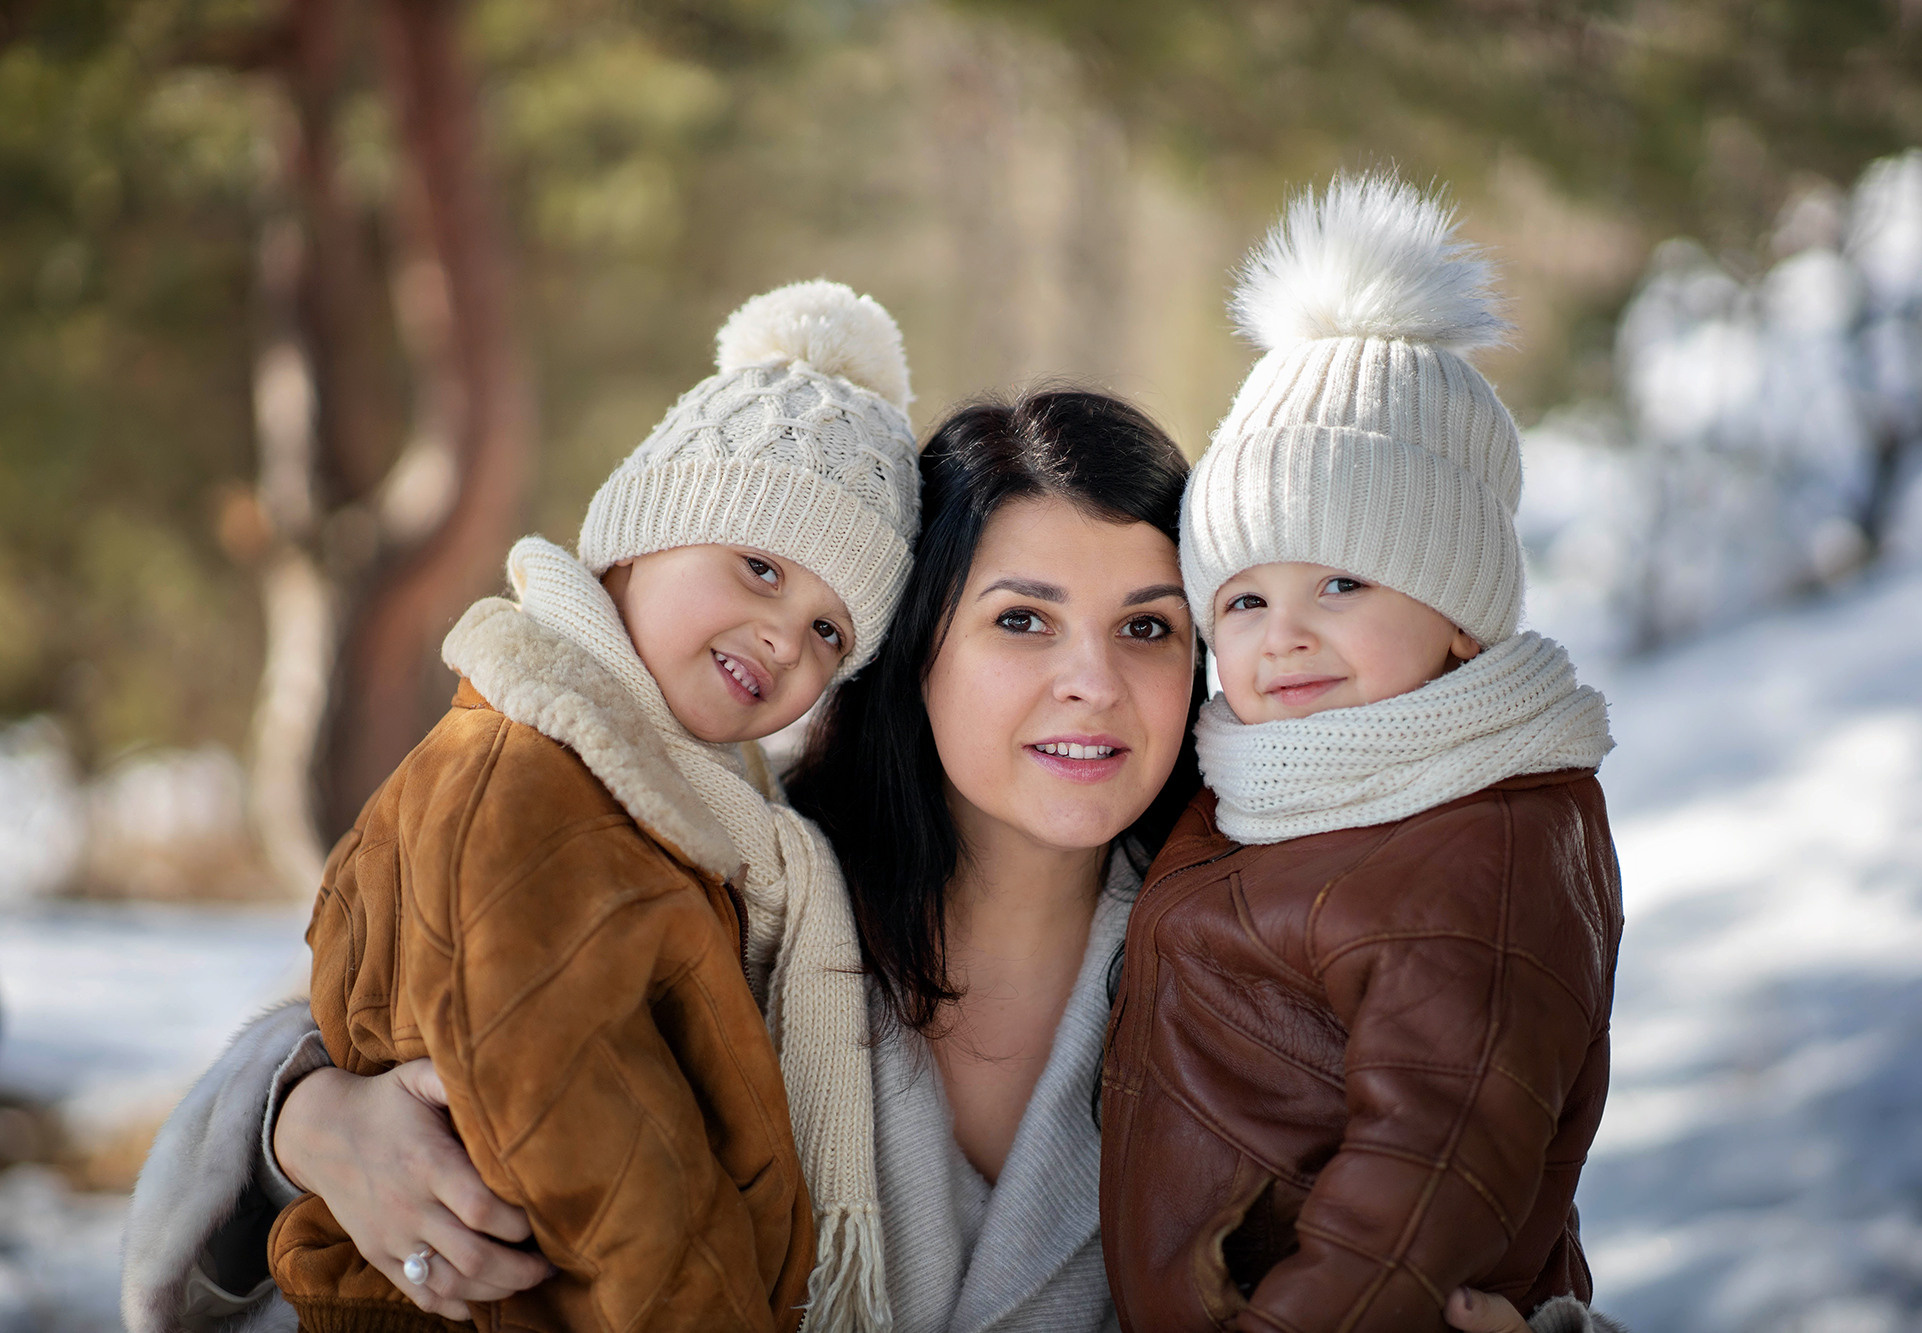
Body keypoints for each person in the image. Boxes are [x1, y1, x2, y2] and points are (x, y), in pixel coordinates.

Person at [121, 381, 1560, 1333]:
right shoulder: (730, 886)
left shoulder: (1292, 958)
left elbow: (1502, 1248)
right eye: (1020, 619)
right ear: (907, 650)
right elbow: (378, 1017)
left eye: (1147, 627)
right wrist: (300, 1122)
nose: (1092, 685)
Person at [1098, 174, 1626, 1332]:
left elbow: (1423, 1184)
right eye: (1240, 599)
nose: (1282, 633)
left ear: (1455, 611)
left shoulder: (1476, 843)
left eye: (1341, 582)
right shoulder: (1276, 784)